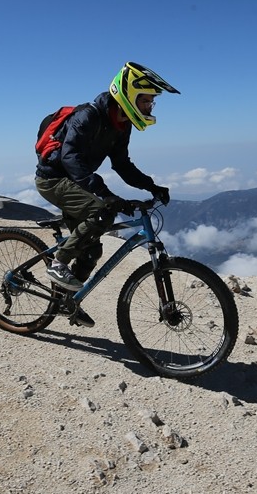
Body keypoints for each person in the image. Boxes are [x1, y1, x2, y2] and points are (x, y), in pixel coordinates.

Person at [34, 62, 177, 326]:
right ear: (129, 96)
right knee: (99, 212)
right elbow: (70, 157)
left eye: (151, 103)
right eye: (146, 101)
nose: (149, 108)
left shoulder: (122, 125)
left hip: (77, 181)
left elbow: (122, 165)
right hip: (53, 179)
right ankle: (59, 262)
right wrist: (104, 193)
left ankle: (66, 301)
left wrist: (151, 186)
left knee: (91, 251)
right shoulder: (88, 116)